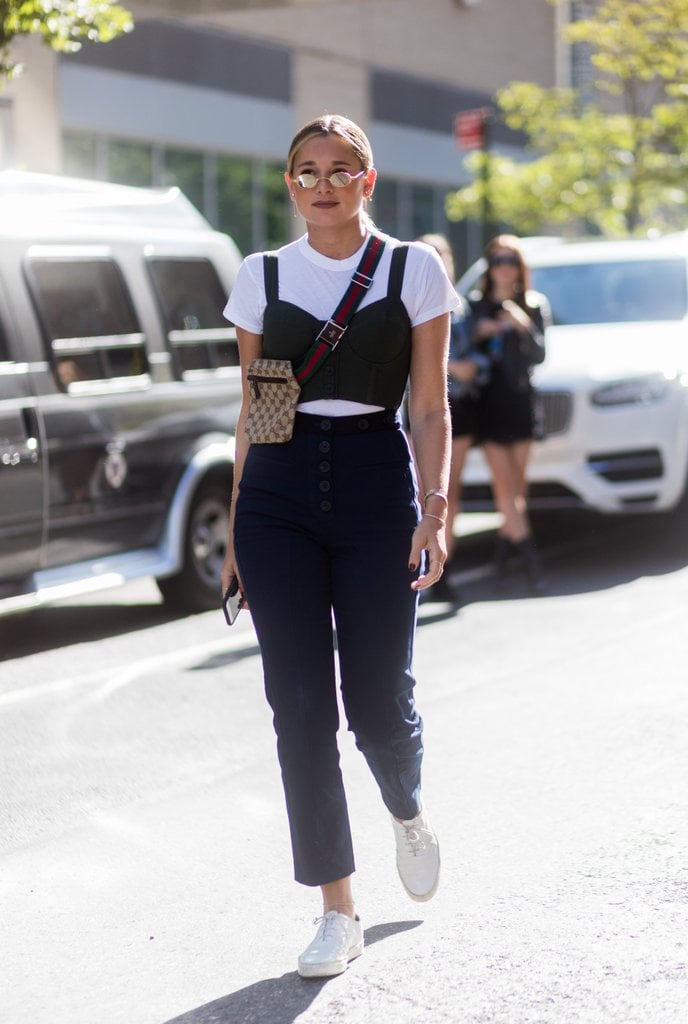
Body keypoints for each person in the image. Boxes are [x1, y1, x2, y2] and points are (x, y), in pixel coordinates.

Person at [221, 114, 458, 978]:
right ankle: (337, 907)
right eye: (306, 170)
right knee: (299, 708)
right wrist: (239, 530)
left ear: (368, 179)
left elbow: (428, 405)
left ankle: (406, 806)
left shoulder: (413, 268)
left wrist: (434, 506)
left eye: (340, 168)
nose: (322, 183)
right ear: (290, 183)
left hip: (373, 485)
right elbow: (257, 407)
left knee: (378, 700)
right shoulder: (263, 275)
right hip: (278, 493)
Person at [467, 234, 550, 588]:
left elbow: (540, 354)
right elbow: (455, 348)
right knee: (504, 489)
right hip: (489, 404)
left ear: (519, 266)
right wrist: (477, 333)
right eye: (497, 261)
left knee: (518, 488)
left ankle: (503, 557)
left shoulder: (532, 304)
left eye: (509, 260)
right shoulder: (475, 306)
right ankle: (534, 566)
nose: (503, 268)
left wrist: (522, 323)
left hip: (520, 402)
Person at [417, 234, 489, 603]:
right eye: (427, 253)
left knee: (446, 494)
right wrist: (447, 366)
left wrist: (468, 367)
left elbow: (482, 362)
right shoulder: (405, 301)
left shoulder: (462, 309)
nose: (436, 260)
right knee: (413, 495)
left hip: (454, 409)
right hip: (413, 410)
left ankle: (442, 570)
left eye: (441, 253)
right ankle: (412, 572)